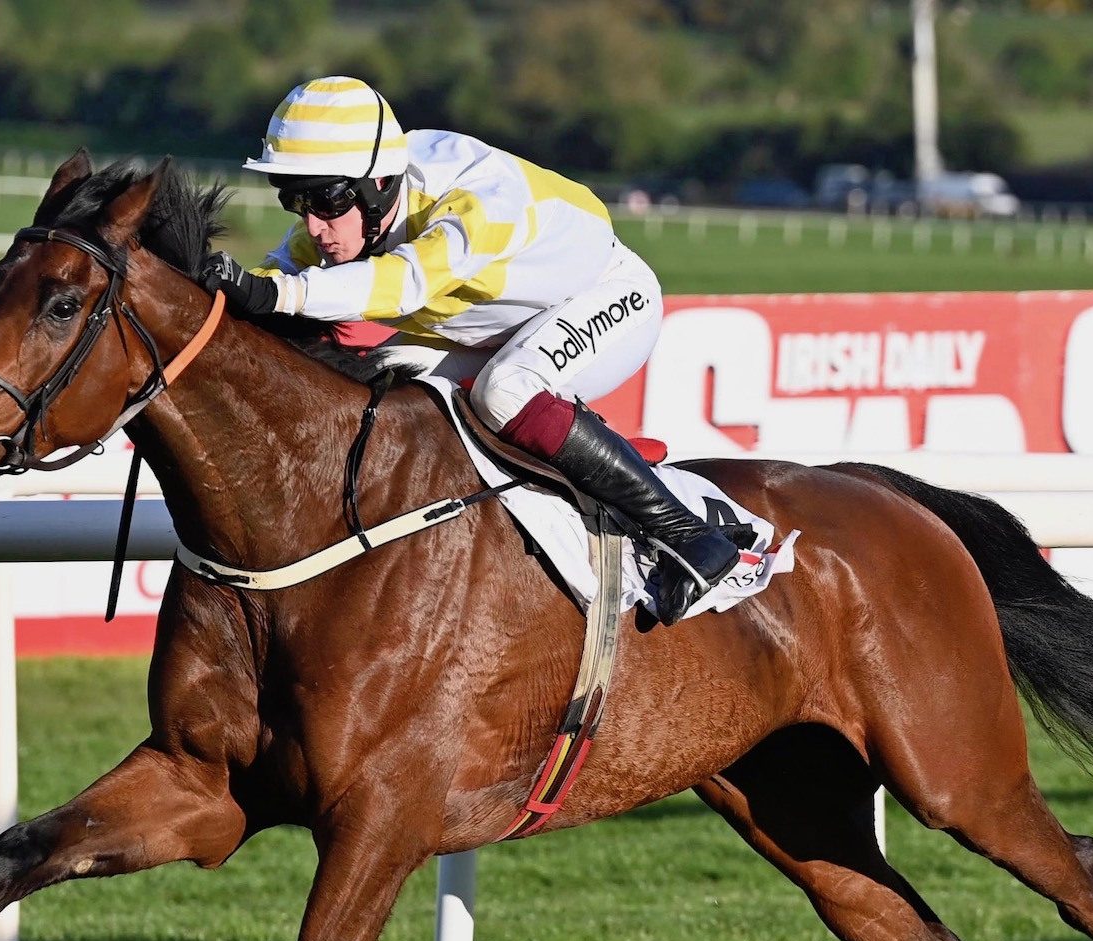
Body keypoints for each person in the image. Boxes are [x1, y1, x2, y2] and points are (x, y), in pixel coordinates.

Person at [198, 75, 742, 625]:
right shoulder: (353, 211)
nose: (313, 224)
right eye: (296, 200)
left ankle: (691, 538)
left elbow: (402, 282)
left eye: (325, 198)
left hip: (609, 298)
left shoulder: (473, 194)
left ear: (379, 182)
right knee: (376, 379)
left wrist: (273, 292)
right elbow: (274, 277)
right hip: (496, 335)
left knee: (506, 390)